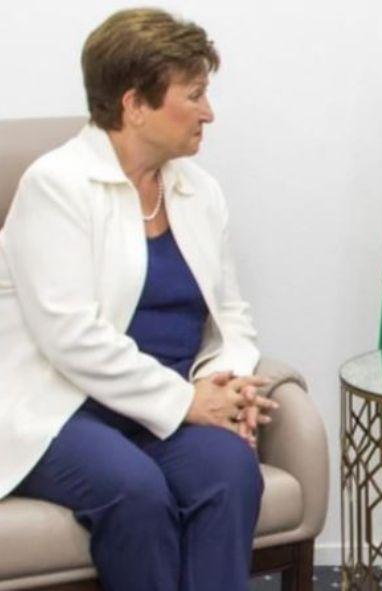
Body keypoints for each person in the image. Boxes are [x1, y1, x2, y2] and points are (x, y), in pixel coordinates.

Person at [0, 9, 278, 590]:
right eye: (195, 94)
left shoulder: (198, 189)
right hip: (63, 407)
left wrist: (228, 384)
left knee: (231, 472)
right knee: (136, 492)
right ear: (134, 105)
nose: (209, 113)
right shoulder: (56, 185)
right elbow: (69, 335)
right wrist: (185, 402)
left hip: (169, 404)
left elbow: (229, 314)